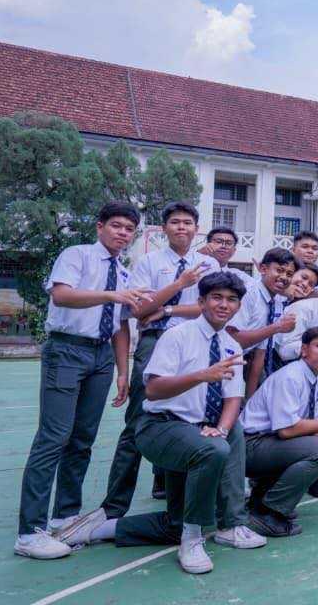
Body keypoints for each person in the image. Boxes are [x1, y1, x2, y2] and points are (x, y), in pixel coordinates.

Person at [56, 272, 266, 574]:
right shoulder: (177, 336)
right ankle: (192, 541)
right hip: (160, 427)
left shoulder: (231, 345)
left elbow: (233, 398)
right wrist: (201, 375)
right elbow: (153, 389)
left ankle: (102, 529)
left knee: (227, 435)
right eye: (216, 298)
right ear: (201, 302)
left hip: (196, 429)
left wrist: (218, 428)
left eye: (231, 299)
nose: (224, 304)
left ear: (238, 306)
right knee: (215, 451)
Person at [15, 202, 146, 560]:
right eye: (116, 225)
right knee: (53, 436)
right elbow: (62, 294)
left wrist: (123, 371)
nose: (123, 233)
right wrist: (110, 295)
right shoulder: (77, 255)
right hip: (67, 350)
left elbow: (120, 324)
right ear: (100, 226)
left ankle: (65, 515)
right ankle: (29, 532)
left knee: (82, 438)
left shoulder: (122, 271)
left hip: (102, 356)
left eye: (129, 229)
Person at [103, 201, 218, 509]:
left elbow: (214, 308)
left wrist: (166, 307)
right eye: (175, 222)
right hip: (155, 341)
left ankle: (175, 494)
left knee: (191, 415)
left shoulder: (210, 266)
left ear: (197, 229)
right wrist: (179, 284)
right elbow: (139, 309)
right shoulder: (149, 263)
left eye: (188, 222)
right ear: (164, 228)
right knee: (139, 418)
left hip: (196, 343)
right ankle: (114, 505)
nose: (182, 227)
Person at [242, 327, 318, 536]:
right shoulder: (291, 377)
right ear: (304, 349)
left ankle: (260, 501)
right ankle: (270, 512)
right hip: (249, 445)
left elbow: (313, 421)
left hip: (264, 443)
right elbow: (287, 431)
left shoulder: (314, 377)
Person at [225, 247, 298, 397]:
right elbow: (233, 339)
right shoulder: (248, 293)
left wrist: (250, 398)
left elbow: (259, 354)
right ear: (263, 269)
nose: (284, 277)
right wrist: (276, 327)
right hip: (223, 360)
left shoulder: (276, 300)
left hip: (244, 361)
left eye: (289, 274)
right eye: (279, 270)